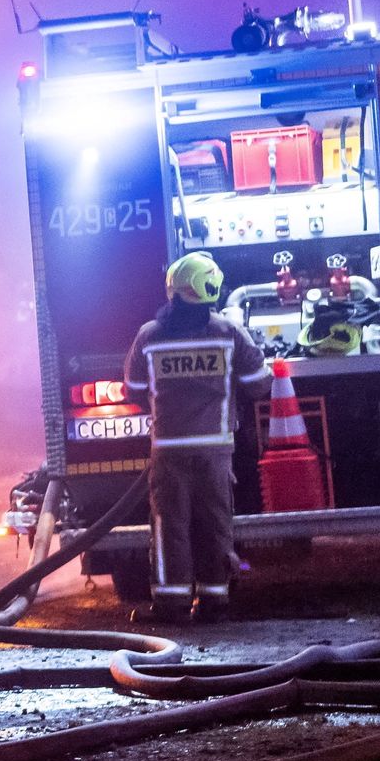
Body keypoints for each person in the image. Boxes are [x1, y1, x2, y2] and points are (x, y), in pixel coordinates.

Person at [122, 251, 271, 624]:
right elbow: (258, 385)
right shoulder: (228, 332)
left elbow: (134, 388)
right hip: (215, 449)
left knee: (170, 525)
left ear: (174, 290)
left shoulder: (149, 336)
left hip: (169, 450)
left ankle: (171, 604)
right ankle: (214, 601)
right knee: (216, 523)